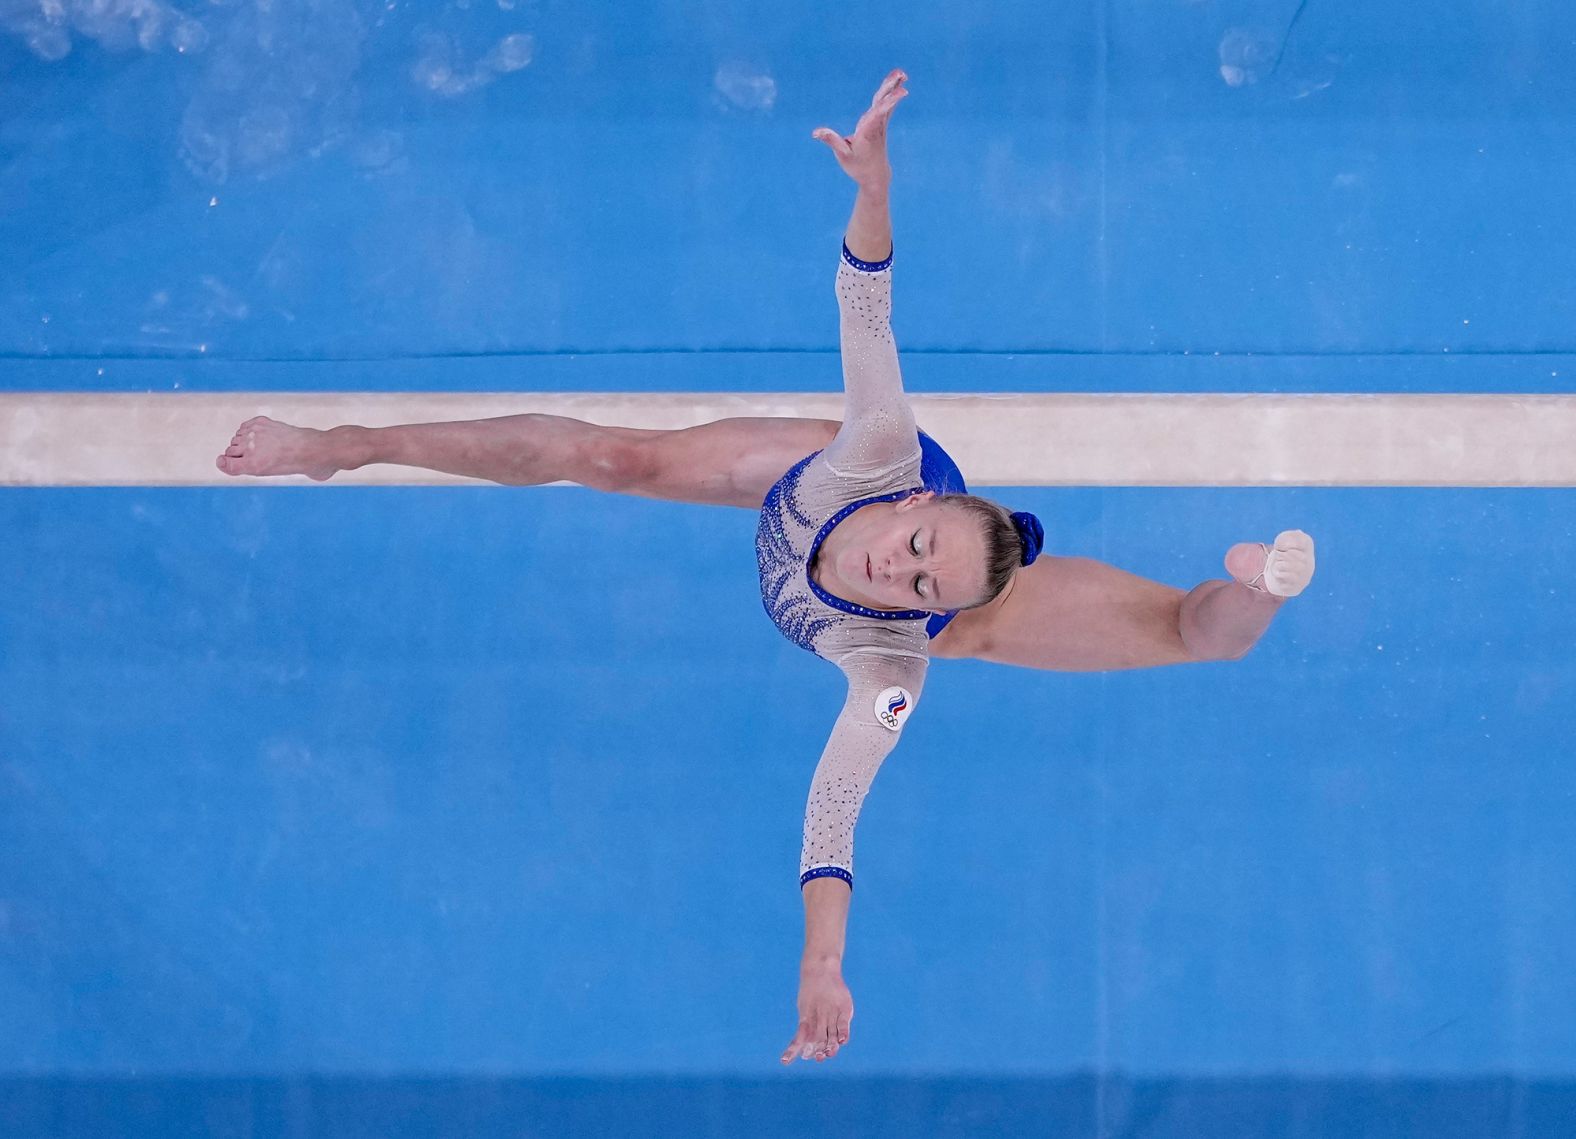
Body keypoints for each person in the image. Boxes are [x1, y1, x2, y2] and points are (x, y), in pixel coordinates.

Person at [215, 69, 1316, 1068]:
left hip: (968, 598)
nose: (902, 567)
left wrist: (820, 962)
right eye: (921, 548)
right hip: (809, 485)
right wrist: (874, 185)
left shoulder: (898, 654)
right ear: (919, 503)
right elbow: (864, 296)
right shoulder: (881, 451)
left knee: (1185, 632)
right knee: (615, 457)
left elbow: (833, 809)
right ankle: (345, 445)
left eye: (919, 584)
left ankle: (1260, 582)